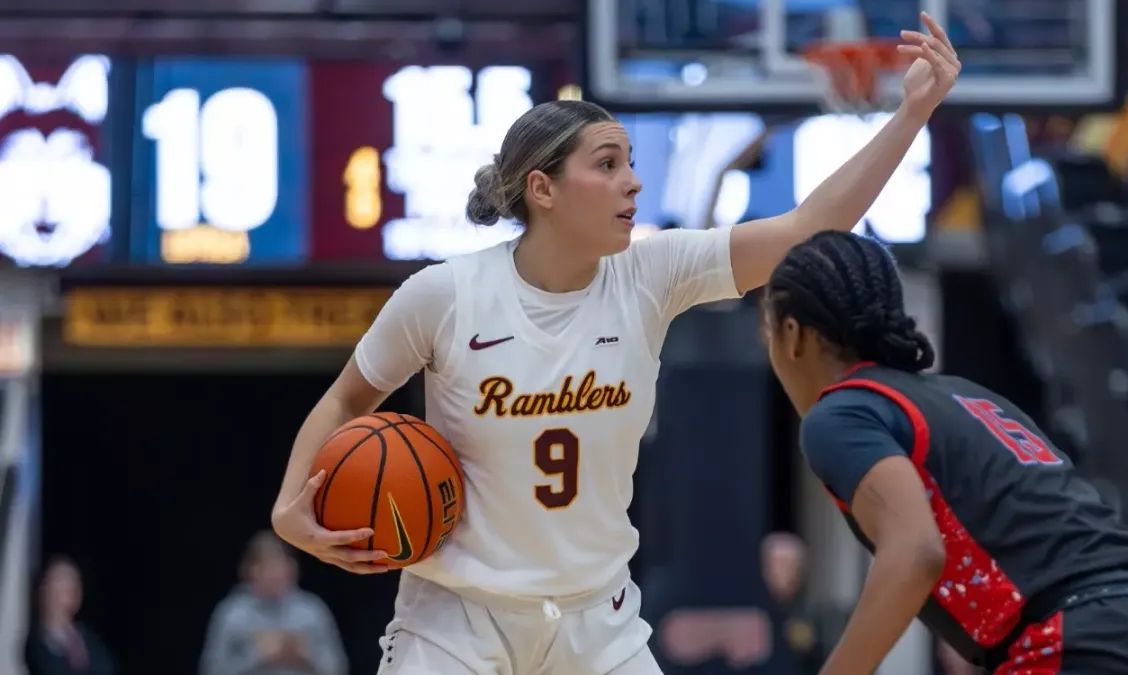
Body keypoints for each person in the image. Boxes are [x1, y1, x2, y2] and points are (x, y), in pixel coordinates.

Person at [270, 13, 960, 674]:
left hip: (596, 621)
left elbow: (807, 227)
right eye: (607, 164)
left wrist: (911, 114)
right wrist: (289, 508)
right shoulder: (445, 294)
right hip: (455, 617)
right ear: (543, 188)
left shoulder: (651, 275)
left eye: (630, 161)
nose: (633, 180)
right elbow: (347, 399)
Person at [761, 230, 1128, 674]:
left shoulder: (838, 412)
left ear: (793, 335)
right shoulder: (965, 396)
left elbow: (915, 552)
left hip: (1084, 635)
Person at [199, 531, 347, 675]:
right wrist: (259, 654)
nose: (277, 574)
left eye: (281, 565)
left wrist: (306, 655)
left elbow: (339, 667)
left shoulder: (312, 611)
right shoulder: (232, 615)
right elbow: (211, 669)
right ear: (251, 570)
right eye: (269, 567)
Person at [24, 555, 116, 675]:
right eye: (62, 583)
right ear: (45, 591)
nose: (72, 589)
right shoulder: (38, 644)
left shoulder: (89, 639)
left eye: (75, 582)